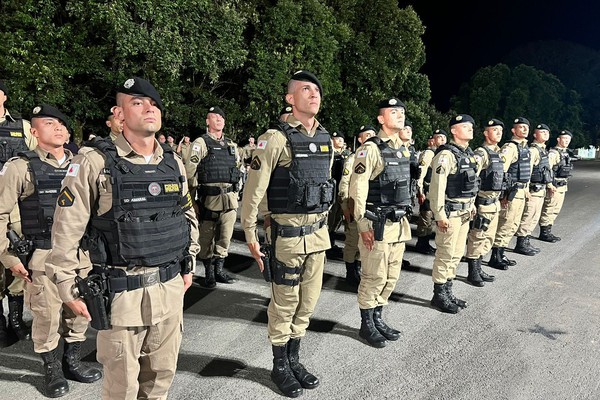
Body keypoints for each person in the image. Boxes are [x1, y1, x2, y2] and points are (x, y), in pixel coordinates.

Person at [45, 77, 200, 399]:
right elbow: (66, 230)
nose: (149, 109)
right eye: (138, 102)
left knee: (160, 381)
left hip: (169, 290)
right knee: (122, 389)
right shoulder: (94, 162)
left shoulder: (172, 162)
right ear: (119, 113)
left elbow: (186, 215)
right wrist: (65, 284)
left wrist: (190, 261)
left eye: (154, 103)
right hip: (121, 298)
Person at [0, 104, 102, 397]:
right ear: (33, 132)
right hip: (43, 255)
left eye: (61, 123)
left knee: (80, 311)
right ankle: (51, 367)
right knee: (47, 316)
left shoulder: (82, 163)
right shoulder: (20, 166)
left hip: (80, 255)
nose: (59, 128)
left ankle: (72, 361)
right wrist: (8, 257)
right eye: (49, 123)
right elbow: (1, 213)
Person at [241, 70, 332, 398]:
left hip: (318, 238)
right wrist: (251, 230)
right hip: (288, 237)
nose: (314, 94)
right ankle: (279, 365)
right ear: (290, 99)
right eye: (305, 90)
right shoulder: (275, 138)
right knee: (284, 303)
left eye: (317, 90)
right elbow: (254, 189)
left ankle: (295, 359)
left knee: (307, 303)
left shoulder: (325, 139)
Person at [349, 97, 412, 347]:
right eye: (393, 112)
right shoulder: (371, 149)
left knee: (391, 276)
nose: (400, 115)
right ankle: (367, 324)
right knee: (374, 276)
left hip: (398, 224)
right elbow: (358, 189)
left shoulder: (402, 149)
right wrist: (363, 224)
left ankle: (378, 317)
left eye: (402, 112)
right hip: (377, 224)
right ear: (381, 119)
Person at [185, 106, 240, 288]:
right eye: (213, 117)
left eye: (221, 117)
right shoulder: (200, 143)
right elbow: (190, 175)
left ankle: (219, 271)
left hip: (230, 201)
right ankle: (209, 273)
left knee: (225, 238)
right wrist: (191, 202)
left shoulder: (231, 145)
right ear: (207, 121)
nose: (218, 119)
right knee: (206, 238)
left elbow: (237, 169)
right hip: (209, 201)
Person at [428, 114, 478, 313]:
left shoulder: (467, 154)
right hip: (451, 214)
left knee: (456, 255)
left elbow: (472, 184)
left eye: (471, 127)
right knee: (445, 254)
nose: (470, 129)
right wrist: (440, 215)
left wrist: (472, 204)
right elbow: (437, 188)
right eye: (465, 127)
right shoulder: (446, 155)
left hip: (465, 212)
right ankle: (439, 295)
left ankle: (448, 292)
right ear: (454, 131)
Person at [0, 79, 36, 347]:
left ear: (4, 96)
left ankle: (15, 320)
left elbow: (36, 158)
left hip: (15, 209)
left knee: (17, 262)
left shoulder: (22, 127)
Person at [464, 119, 505, 286]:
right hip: (483, 203)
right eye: (495, 130)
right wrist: (472, 203)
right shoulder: (481, 153)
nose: (498, 133)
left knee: (488, 237)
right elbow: (471, 178)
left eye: (500, 131)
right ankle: (472, 272)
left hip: (494, 203)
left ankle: (479, 268)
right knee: (477, 237)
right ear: (486, 133)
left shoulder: (497, 153)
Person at [488, 117, 532, 269]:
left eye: (526, 127)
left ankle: (501, 254)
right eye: (521, 127)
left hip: (520, 192)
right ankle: (495, 256)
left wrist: (526, 189)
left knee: (513, 225)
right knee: (505, 224)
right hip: (511, 193)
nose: (525, 129)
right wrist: (503, 195)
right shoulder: (510, 148)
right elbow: (501, 173)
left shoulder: (525, 148)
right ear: (514, 130)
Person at [338, 125, 376, 287]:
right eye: (367, 135)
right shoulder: (353, 158)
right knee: (352, 241)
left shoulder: (375, 156)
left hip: (369, 207)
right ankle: (350, 272)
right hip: (354, 207)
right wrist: (345, 206)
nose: (371, 137)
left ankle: (358, 268)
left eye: (373, 135)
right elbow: (344, 184)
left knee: (365, 242)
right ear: (360, 139)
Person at [513, 124, 553, 255]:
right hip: (533, 190)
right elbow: (527, 171)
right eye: (542, 132)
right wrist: (526, 189)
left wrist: (549, 185)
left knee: (534, 216)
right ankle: (521, 243)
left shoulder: (543, 150)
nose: (546, 134)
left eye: (547, 132)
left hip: (540, 189)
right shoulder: (533, 150)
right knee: (528, 216)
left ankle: (526, 241)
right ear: (535, 135)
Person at [414, 129, 447, 254]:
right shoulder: (429, 153)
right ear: (433, 140)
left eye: (444, 137)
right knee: (426, 218)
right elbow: (421, 173)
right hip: (427, 191)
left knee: (430, 219)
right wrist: (420, 190)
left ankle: (426, 243)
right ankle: (422, 244)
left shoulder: (442, 153)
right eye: (439, 137)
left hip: (435, 192)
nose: (442, 140)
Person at [539, 130, 573, 242]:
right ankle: (544, 233)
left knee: (555, 209)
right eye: (564, 138)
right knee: (549, 208)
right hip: (554, 186)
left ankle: (548, 230)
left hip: (562, 185)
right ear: (558, 139)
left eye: (568, 139)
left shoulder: (565, 153)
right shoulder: (553, 153)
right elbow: (546, 170)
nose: (566, 141)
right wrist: (549, 184)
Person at [327, 131, 350, 258]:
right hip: (332, 191)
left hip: (341, 191)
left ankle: (332, 242)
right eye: (337, 138)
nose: (340, 140)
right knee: (330, 218)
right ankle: (327, 245)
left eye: (341, 138)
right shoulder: (330, 154)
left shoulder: (346, 156)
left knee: (337, 218)